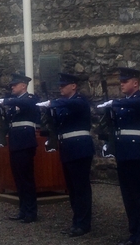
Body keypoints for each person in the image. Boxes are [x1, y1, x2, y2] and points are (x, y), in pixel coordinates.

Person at [97, 68, 140, 245]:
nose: (121, 84)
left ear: (135, 83)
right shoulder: (122, 104)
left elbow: (134, 106)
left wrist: (113, 104)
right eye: (121, 81)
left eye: (125, 81)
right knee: (128, 197)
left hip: (137, 153)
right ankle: (134, 233)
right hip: (123, 153)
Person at [38, 73, 94, 237]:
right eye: (60, 85)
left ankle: (84, 223)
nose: (60, 88)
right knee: (72, 188)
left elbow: (69, 105)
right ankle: (77, 221)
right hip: (68, 148)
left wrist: (51, 103)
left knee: (81, 188)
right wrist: (50, 115)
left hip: (80, 148)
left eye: (64, 85)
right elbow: (56, 124)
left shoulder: (80, 101)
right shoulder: (62, 106)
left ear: (73, 86)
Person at [0, 73, 40, 223]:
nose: (12, 86)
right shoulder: (15, 104)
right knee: (18, 179)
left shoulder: (30, 99)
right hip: (15, 143)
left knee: (27, 178)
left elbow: (27, 106)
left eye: (15, 84)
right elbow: (7, 122)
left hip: (25, 143)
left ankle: (31, 211)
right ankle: (23, 209)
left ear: (23, 85)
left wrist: (6, 101)